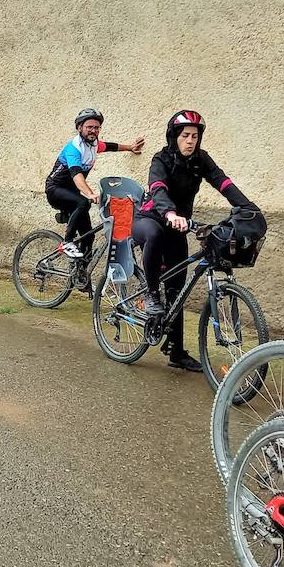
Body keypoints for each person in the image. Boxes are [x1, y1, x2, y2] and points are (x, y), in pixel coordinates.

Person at [131, 109, 255, 371]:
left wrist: (248, 207)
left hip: (179, 225)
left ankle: (176, 352)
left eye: (195, 136)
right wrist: (170, 213)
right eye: (185, 135)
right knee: (153, 235)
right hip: (151, 218)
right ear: (174, 137)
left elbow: (222, 182)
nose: (190, 141)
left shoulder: (201, 160)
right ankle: (152, 295)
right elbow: (158, 188)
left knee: (177, 288)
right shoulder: (161, 159)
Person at [44, 108, 145, 260]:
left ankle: (82, 279)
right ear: (79, 127)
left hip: (72, 193)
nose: (93, 130)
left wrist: (130, 147)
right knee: (83, 202)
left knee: (88, 237)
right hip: (55, 190)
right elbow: (77, 176)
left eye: (96, 127)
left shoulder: (94, 145)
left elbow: (111, 146)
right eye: (89, 127)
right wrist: (90, 194)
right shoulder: (74, 148)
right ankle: (67, 242)